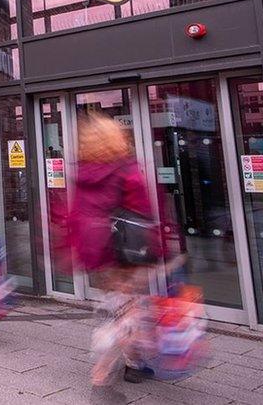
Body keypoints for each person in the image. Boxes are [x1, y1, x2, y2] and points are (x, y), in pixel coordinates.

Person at [67, 113, 157, 386]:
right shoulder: (126, 170)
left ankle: (134, 363)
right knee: (129, 309)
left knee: (121, 306)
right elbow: (144, 211)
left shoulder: (83, 172)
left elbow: (75, 213)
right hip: (127, 251)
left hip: (98, 252)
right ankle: (103, 369)